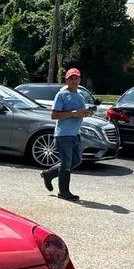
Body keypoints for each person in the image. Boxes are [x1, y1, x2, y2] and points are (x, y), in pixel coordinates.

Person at [41, 68, 93, 201]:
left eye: (76, 78)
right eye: (71, 78)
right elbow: (54, 115)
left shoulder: (80, 95)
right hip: (63, 134)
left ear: (80, 80)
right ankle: (64, 192)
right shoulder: (62, 95)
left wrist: (85, 113)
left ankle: (48, 174)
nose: (74, 80)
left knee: (76, 161)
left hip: (75, 134)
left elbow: (79, 112)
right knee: (66, 163)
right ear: (67, 80)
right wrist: (73, 113)